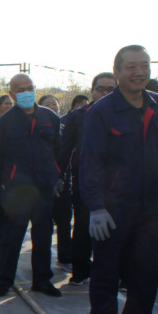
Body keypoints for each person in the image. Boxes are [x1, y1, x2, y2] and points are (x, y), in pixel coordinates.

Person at [79, 45, 158, 314]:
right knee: (106, 270)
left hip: (149, 210)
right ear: (118, 71)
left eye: (144, 65)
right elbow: (90, 161)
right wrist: (95, 207)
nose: (139, 72)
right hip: (113, 209)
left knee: (147, 272)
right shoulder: (102, 111)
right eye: (131, 66)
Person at [0, 74, 64, 297]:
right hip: (17, 190)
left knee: (43, 236)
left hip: (44, 188)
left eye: (29, 87)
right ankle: (3, 280)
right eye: (20, 90)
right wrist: (8, 179)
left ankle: (42, 280)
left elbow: (58, 149)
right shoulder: (5, 122)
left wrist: (54, 174)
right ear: (12, 94)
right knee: (12, 237)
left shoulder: (50, 117)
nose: (26, 92)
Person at [58, 73, 117, 286]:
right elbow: (65, 149)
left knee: (117, 231)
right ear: (92, 91)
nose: (105, 93)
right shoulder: (79, 116)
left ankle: (118, 274)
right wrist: (59, 176)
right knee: (83, 227)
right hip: (86, 181)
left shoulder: (124, 113)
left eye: (111, 89)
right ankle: (80, 270)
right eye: (101, 89)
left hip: (118, 184)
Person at [38, 94, 72, 272]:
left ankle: (65, 258)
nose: (52, 106)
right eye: (47, 104)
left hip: (63, 181)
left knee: (64, 221)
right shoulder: (37, 128)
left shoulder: (66, 127)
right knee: (44, 225)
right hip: (44, 183)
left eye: (55, 104)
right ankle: (43, 264)